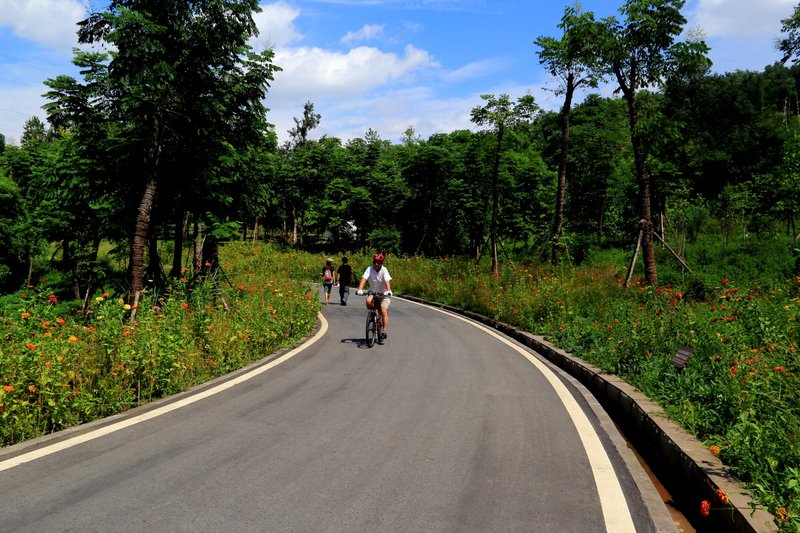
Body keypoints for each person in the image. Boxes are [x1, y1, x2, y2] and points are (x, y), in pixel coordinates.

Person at [357, 253, 392, 339]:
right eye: (374, 262)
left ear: (381, 263)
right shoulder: (369, 269)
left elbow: (387, 281)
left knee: (383, 310)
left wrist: (388, 291)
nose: (376, 264)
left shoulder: (384, 270)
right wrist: (360, 290)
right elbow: (364, 279)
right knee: (368, 301)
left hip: (384, 293)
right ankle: (373, 314)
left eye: (378, 262)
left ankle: (384, 331)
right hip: (373, 292)